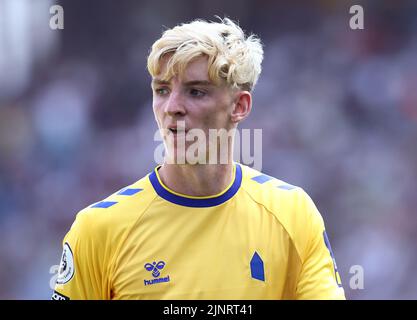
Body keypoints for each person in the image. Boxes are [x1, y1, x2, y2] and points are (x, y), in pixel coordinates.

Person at [52, 17, 345, 300]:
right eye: (162, 90)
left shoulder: (293, 214)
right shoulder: (98, 229)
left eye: (196, 92)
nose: (172, 107)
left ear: (239, 106)